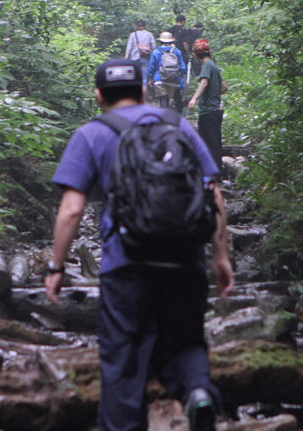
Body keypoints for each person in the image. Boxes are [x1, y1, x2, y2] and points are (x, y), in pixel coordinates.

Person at [46, 58, 233, 430]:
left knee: (123, 360)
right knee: (188, 342)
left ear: (98, 95)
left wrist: (57, 266)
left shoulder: (90, 134)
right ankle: (197, 391)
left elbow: (70, 210)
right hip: (185, 259)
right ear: (144, 90)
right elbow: (213, 191)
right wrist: (221, 255)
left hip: (126, 264)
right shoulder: (176, 125)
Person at [187, 38, 226, 168]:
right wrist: (213, 94)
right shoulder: (214, 66)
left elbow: (204, 82)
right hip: (216, 110)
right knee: (214, 141)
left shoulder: (206, 66)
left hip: (208, 111)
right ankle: (215, 170)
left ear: (196, 55)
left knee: (209, 143)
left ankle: (213, 172)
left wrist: (194, 99)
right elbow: (224, 87)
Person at [147, 31, 187, 113]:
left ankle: (163, 119)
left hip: (159, 79)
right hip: (174, 79)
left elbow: (151, 67)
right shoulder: (177, 51)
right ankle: (179, 118)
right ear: (171, 41)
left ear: (160, 41)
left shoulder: (156, 51)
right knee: (177, 98)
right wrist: (184, 78)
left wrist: (150, 78)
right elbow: (182, 66)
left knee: (163, 99)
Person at [124, 19, 155, 85]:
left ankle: (135, 92)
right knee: (144, 78)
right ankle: (143, 93)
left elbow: (129, 46)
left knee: (135, 77)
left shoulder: (133, 34)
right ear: (144, 26)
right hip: (145, 57)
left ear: (137, 26)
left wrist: (126, 58)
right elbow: (154, 46)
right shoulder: (149, 34)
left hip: (134, 58)